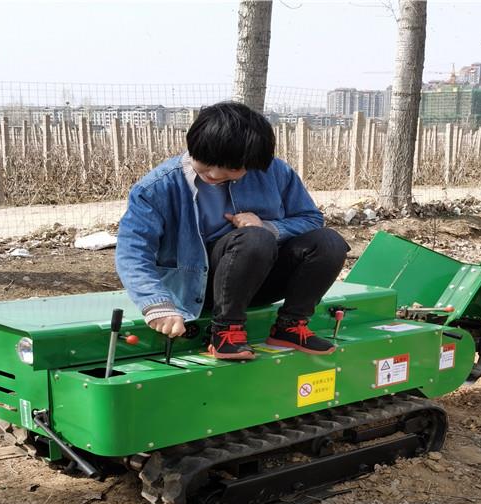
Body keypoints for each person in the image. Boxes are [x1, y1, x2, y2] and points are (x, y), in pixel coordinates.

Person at [115, 101, 350, 360]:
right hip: (197, 289)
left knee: (328, 242)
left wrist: (270, 226)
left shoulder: (275, 172)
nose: (214, 173)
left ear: (253, 163)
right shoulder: (156, 188)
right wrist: (157, 304)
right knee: (254, 239)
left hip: (259, 278)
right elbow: (132, 252)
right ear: (193, 146)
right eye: (205, 162)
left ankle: (291, 326)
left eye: (231, 169)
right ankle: (226, 331)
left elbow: (310, 218)